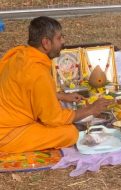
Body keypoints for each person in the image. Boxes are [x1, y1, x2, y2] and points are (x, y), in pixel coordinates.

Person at [0, 16, 112, 153]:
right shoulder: (38, 73)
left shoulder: (19, 54)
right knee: (69, 133)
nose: (63, 42)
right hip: (8, 134)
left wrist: (60, 96)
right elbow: (53, 119)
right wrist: (90, 110)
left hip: (7, 120)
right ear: (46, 43)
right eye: (59, 38)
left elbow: (24, 89)